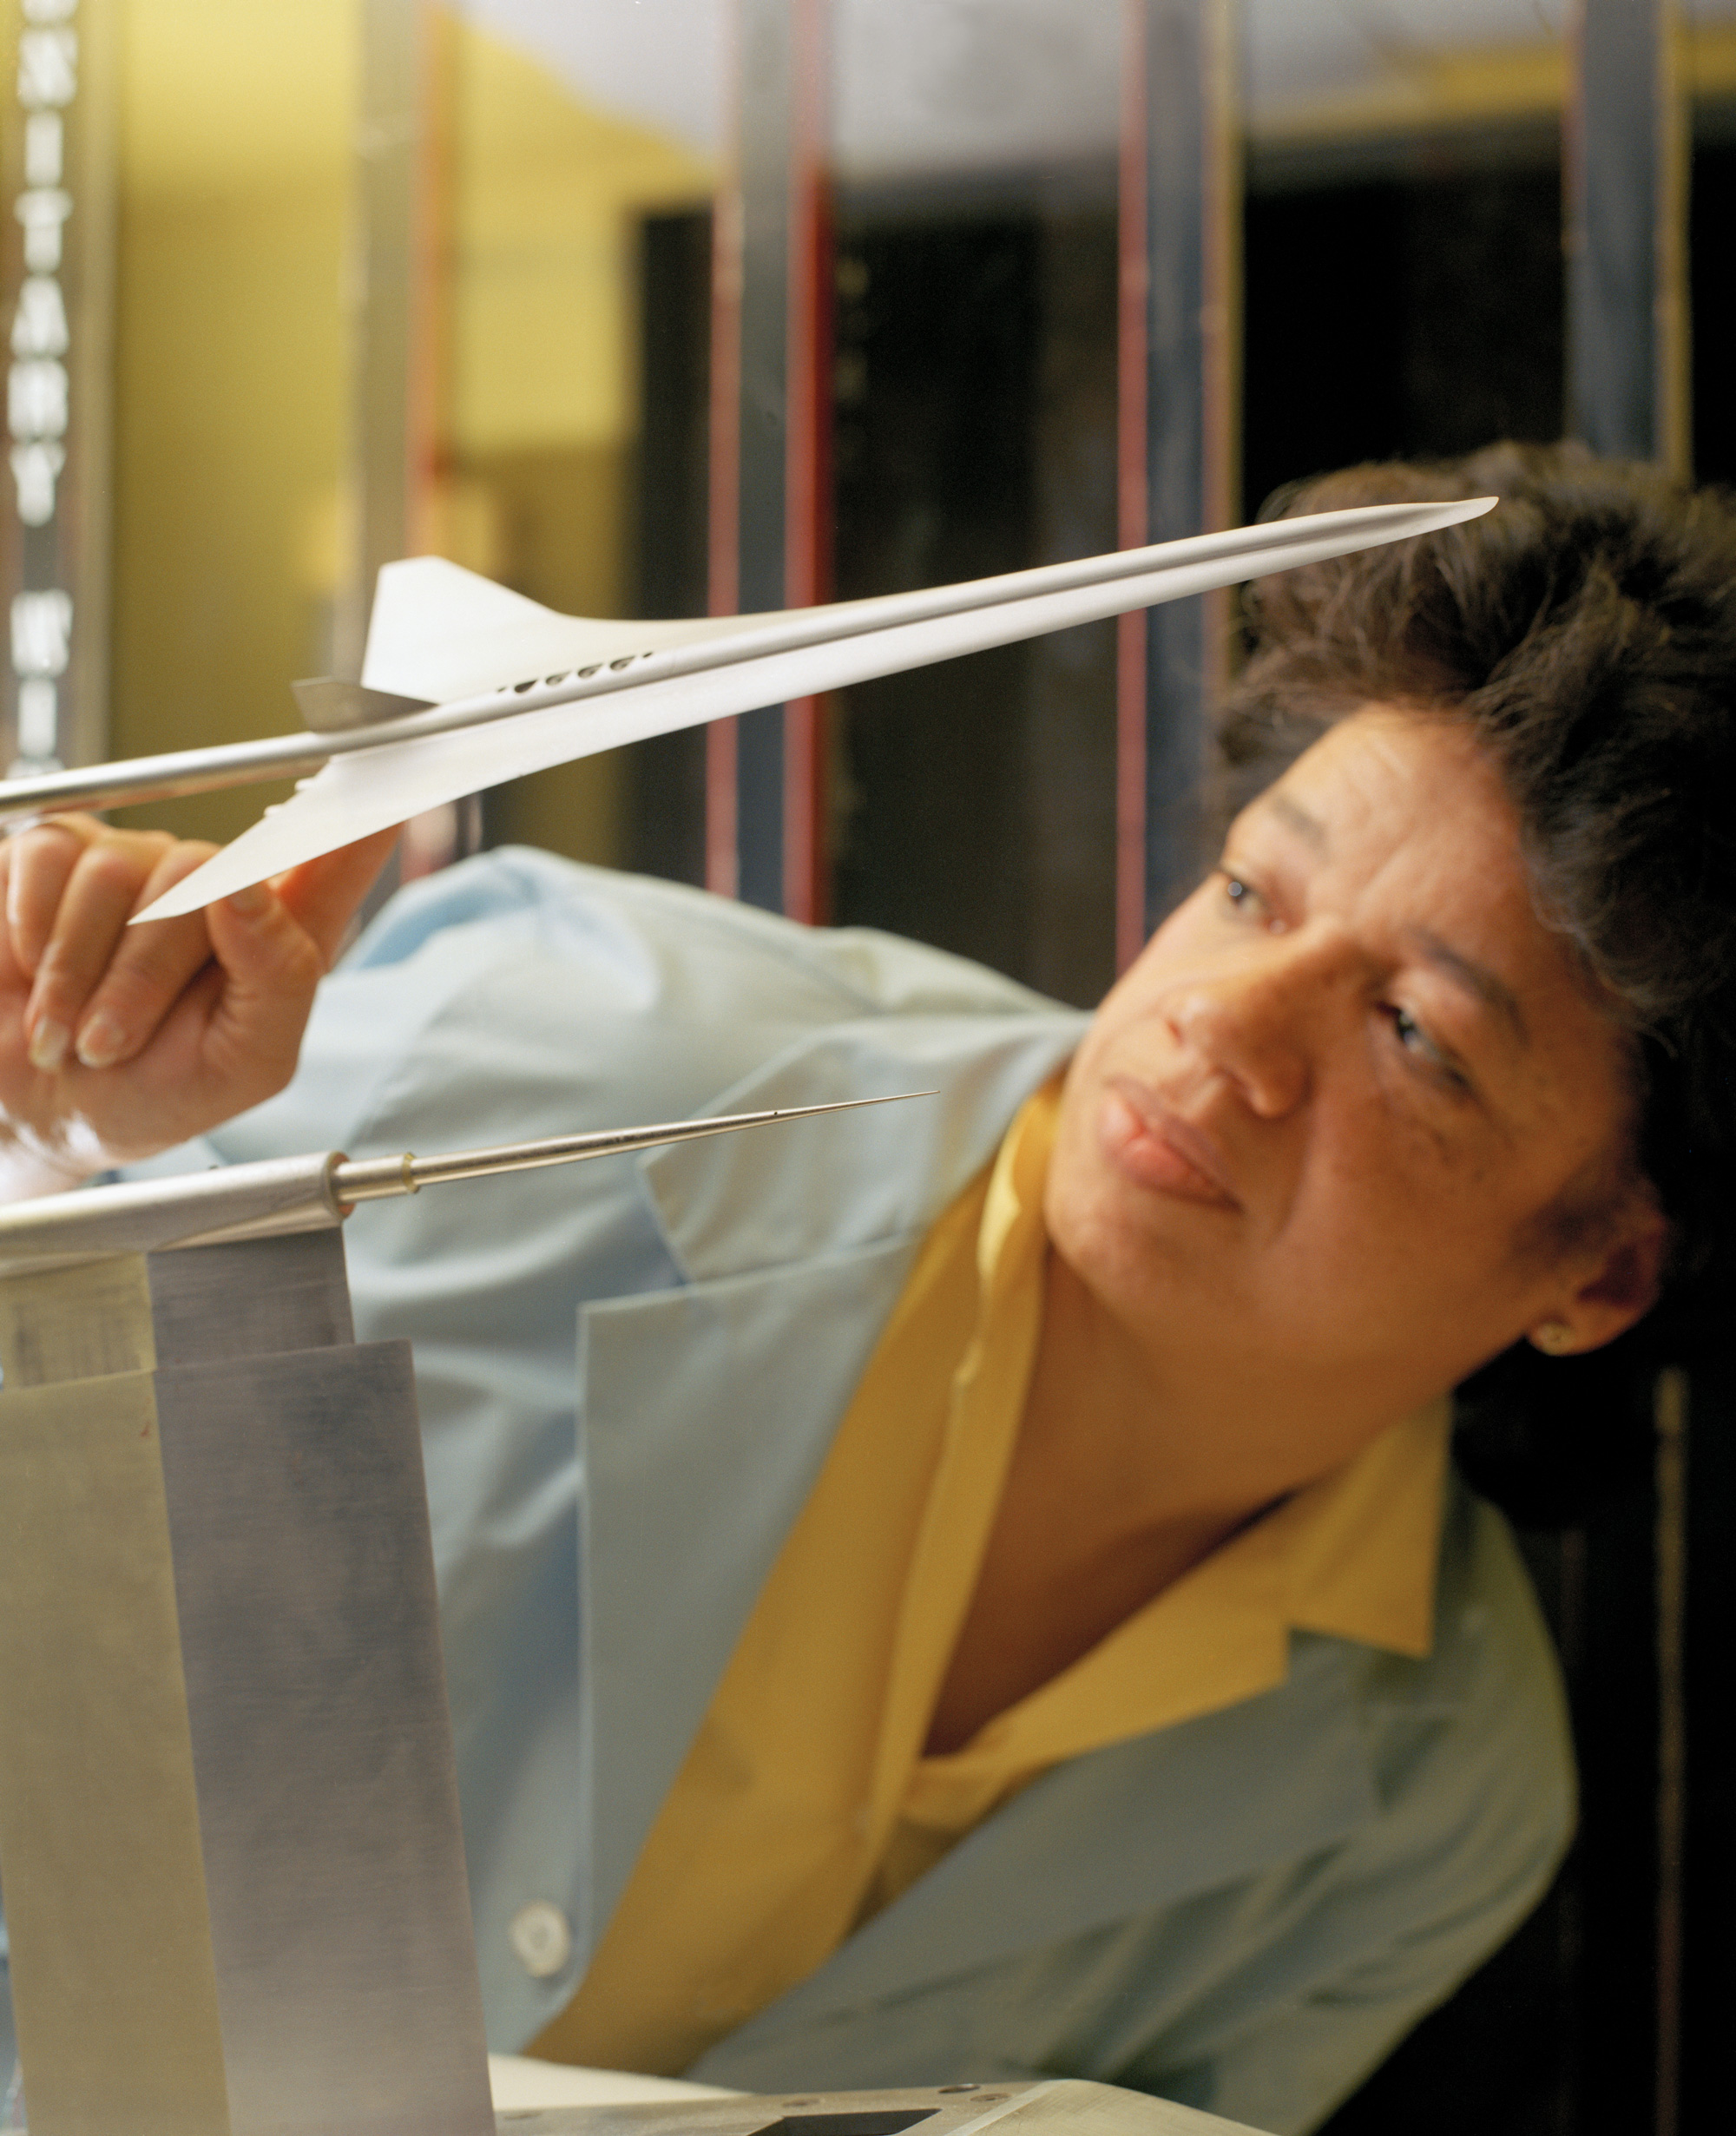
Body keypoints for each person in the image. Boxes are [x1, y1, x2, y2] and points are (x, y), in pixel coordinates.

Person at [1, 442, 1732, 2134]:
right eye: (1243, 890)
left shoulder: (1439, 1801)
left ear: (1605, 1266)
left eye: (1414, 1034)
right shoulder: (556, 1043)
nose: (1226, 1023)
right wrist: (62, 1123)